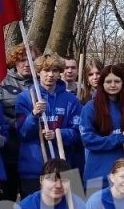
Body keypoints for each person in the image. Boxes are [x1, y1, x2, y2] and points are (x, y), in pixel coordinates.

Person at [15, 52, 82, 196]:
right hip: (33, 169)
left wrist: (58, 134)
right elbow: (22, 133)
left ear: (60, 73)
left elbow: (78, 133)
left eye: (55, 70)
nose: (50, 75)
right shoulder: (25, 98)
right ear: (38, 72)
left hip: (62, 168)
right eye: (46, 70)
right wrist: (33, 115)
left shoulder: (72, 100)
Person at [79, 64, 124, 190]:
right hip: (97, 176)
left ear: (123, 83)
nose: (113, 85)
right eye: (108, 81)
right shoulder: (90, 108)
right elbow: (87, 139)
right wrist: (118, 139)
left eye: (117, 81)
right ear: (102, 83)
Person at [0, 43, 36, 200]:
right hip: (9, 149)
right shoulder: (1, 82)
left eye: (31, 60)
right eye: (22, 60)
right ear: (15, 61)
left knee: (31, 200)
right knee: (6, 199)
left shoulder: (41, 83)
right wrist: (17, 125)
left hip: (33, 153)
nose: (27, 64)